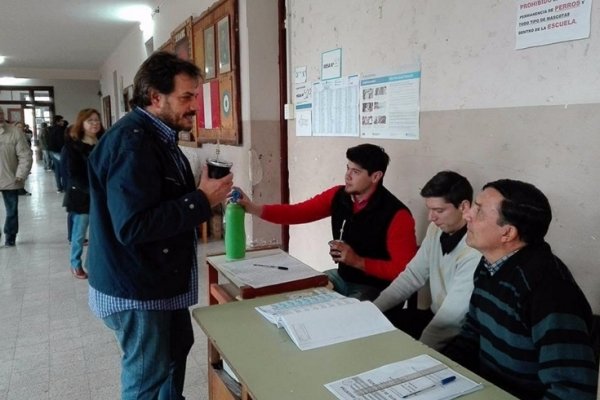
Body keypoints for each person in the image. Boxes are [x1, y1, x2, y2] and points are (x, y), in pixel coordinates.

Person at [87, 51, 233, 400]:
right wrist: (200, 200)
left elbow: (154, 198)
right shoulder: (132, 142)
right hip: (137, 288)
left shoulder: (157, 137)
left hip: (157, 282)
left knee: (175, 352)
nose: (194, 105)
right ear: (155, 97)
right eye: (186, 97)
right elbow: (133, 225)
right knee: (146, 380)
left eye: (195, 96)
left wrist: (199, 191)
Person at [442, 179, 598, 399]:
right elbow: (472, 335)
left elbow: (571, 390)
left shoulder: (550, 290)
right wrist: (436, 371)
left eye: (479, 211)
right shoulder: (489, 266)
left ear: (507, 233)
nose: (467, 215)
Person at [238, 143, 417, 300]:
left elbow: (404, 271)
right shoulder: (339, 196)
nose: (347, 176)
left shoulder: (397, 215)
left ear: (376, 176)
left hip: (375, 287)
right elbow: (298, 212)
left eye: (355, 172)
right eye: (347, 168)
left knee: (342, 319)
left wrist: (358, 261)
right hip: (341, 276)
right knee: (296, 295)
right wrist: (253, 208)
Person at [373, 171, 480, 350]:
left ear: (464, 207)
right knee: (378, 329)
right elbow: (412, 276)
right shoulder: (436, 230)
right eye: (429, 209)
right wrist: (373, 310)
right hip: (434, 316)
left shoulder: (475, 248)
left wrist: (420, 354)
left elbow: (452, 318)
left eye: (439, 210)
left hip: (461, 333)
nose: (431, 217)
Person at [64, 108, 104, 279]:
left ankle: (94, 263)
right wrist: (92, 190)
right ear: (82, 124)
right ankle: (75, 263)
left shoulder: (104, 142)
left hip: (103, 195)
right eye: (90, 120)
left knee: (99, 232)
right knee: (79, 234)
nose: (94, 123)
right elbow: (73, 175)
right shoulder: (72, 146)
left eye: (97, 120)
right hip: (82, 196)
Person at [0, 113, 33, 246]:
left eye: (1, 113)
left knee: (11, 210)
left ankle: (10, 235)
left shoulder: (15, 132)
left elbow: (25, 155)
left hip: (10, 178)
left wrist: (21, 174)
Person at [46, 115, 66, 193]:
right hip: (58, 151)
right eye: (61, 121)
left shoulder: (51, 129)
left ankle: (59, 187)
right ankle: (64, 186)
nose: (63, 122)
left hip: (52, 151)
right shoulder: (59, 130)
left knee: (57, 169)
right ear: (58, 121)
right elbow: (61, 141)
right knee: (64, 168)